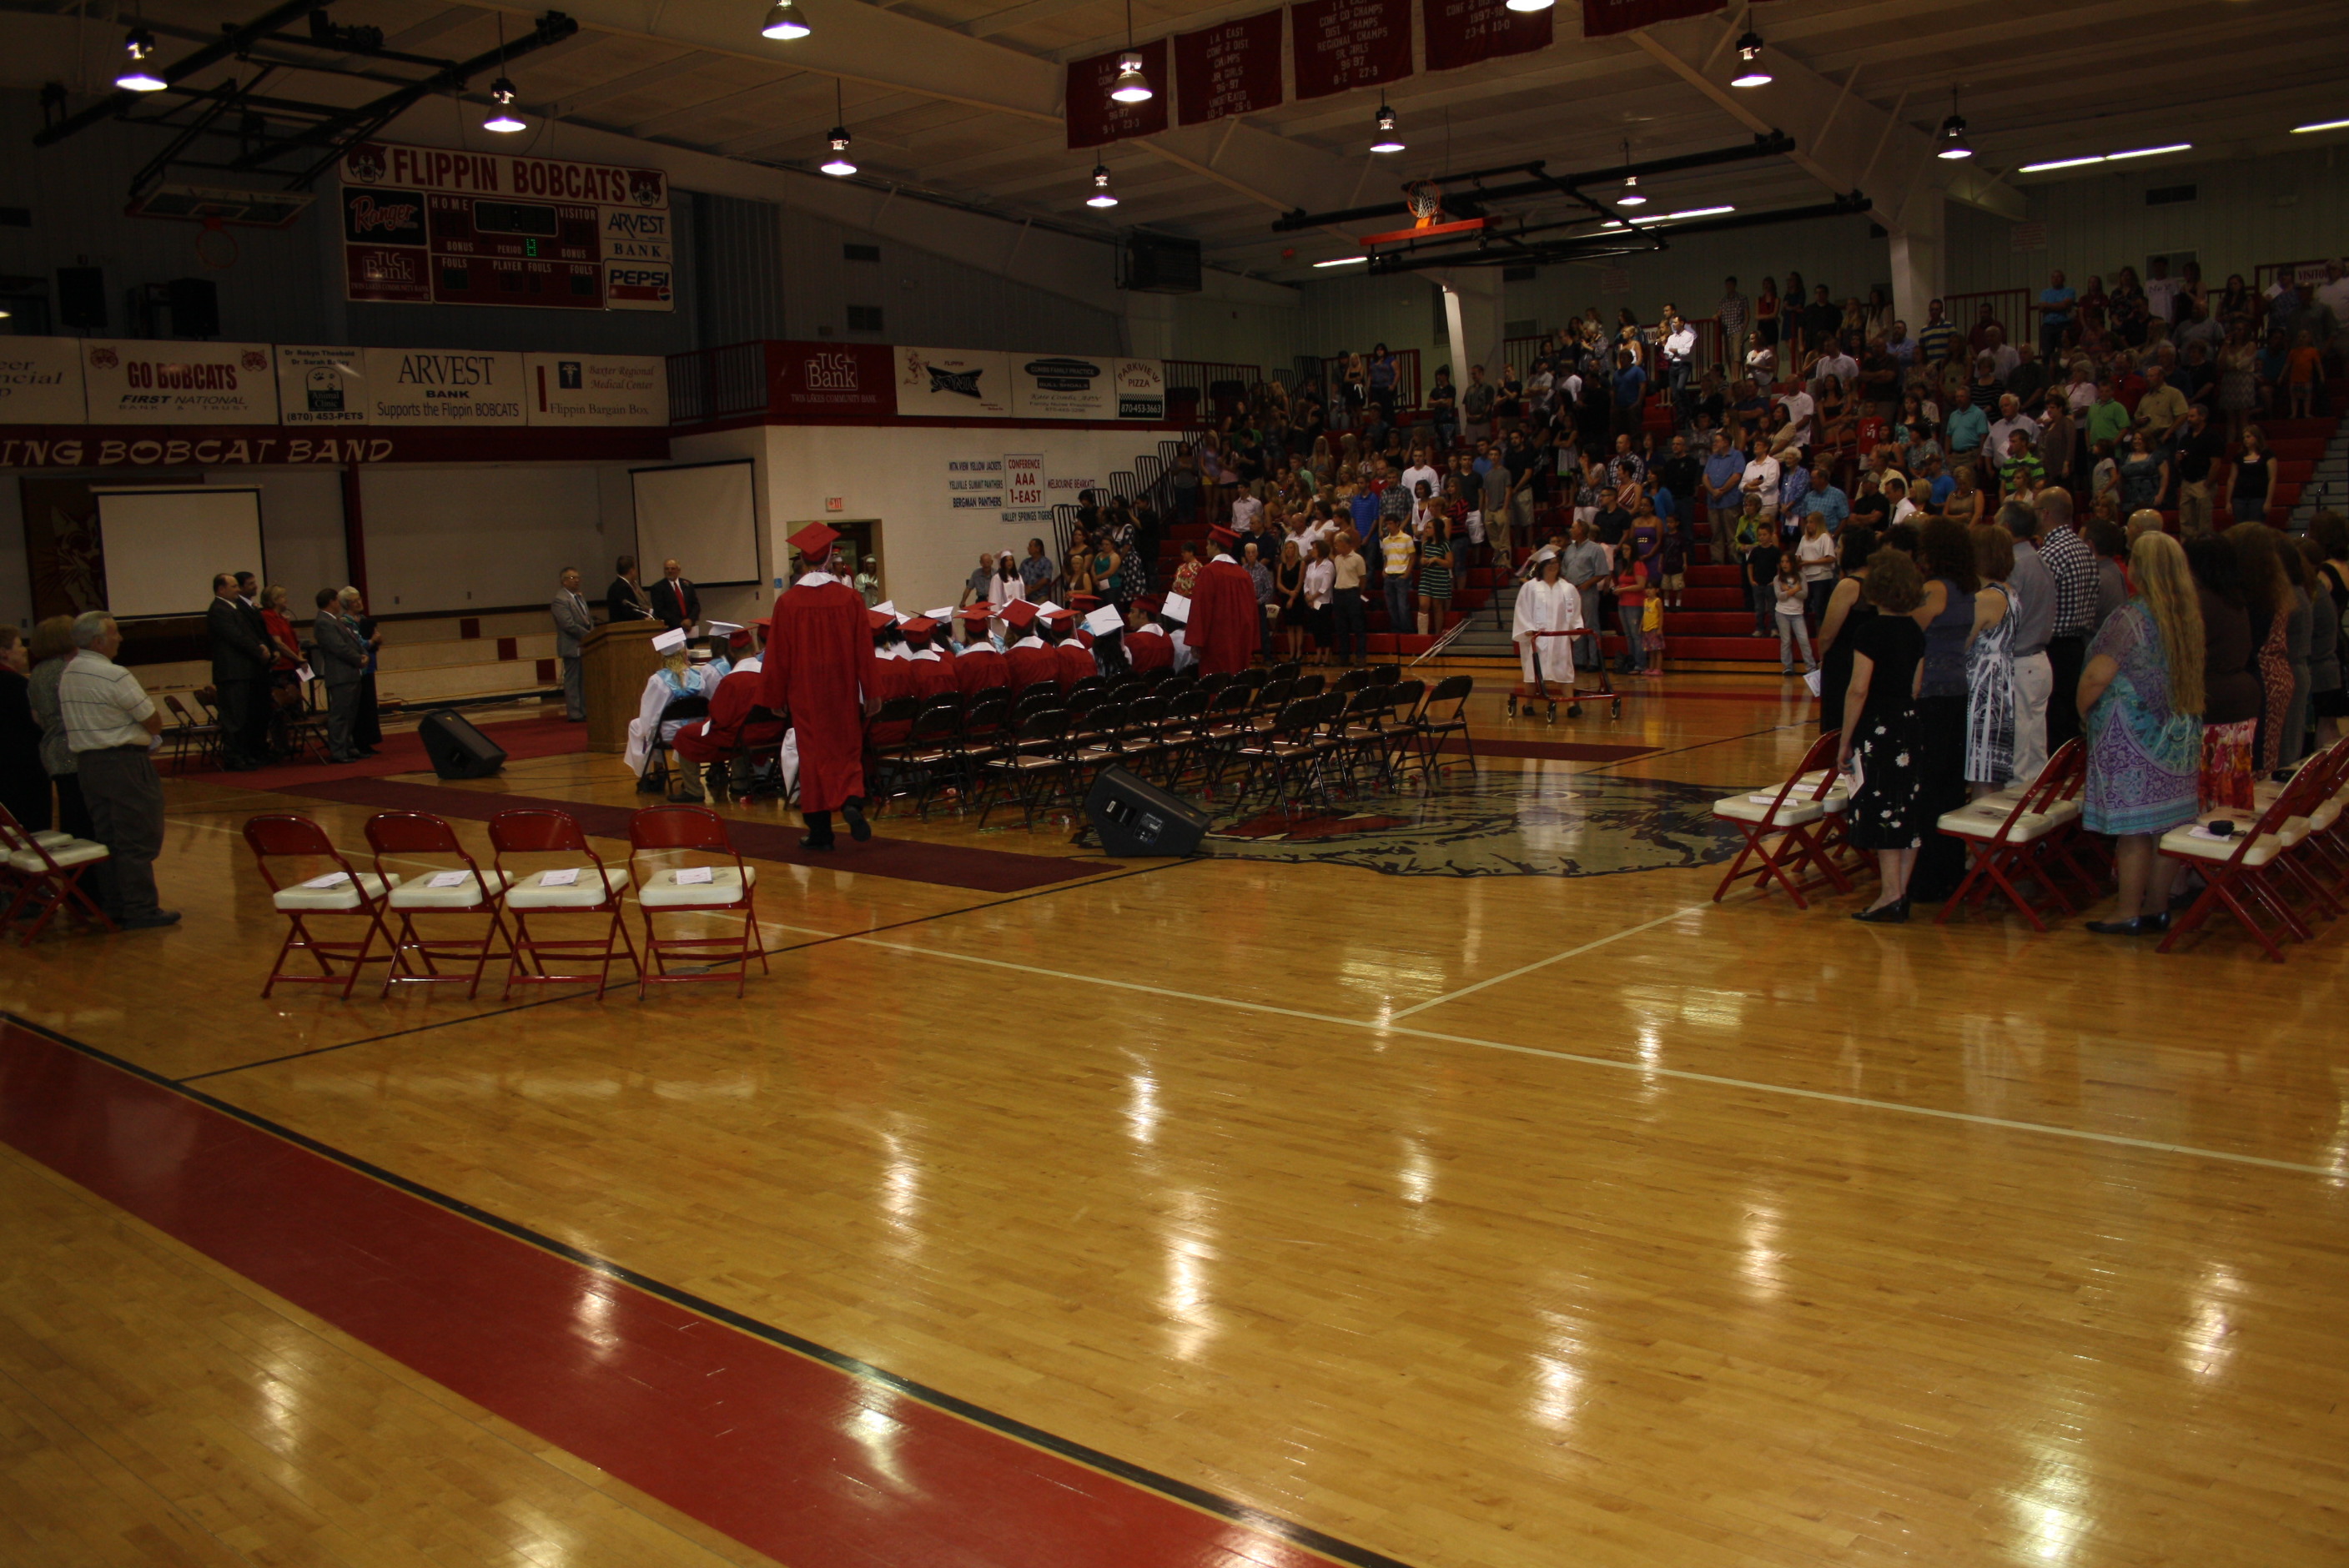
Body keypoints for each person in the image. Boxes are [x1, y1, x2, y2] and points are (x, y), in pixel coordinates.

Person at [2078, 533, 2206, 936]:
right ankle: (2156, 907)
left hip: (2133, 733)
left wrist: (2081, 709)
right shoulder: (2186, 616)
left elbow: (2097, 676)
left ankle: (2127, 911)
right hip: (2178, 732)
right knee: (2166, 825)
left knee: (2133, 829)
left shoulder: (2129, 617)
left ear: (2140, 568)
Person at [57, 612, 176, 929]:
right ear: (98, 641)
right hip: (124, 763)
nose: (120, 638)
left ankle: (115, 905)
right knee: (138, 836)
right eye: (114, 633)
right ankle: (141, 908)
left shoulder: (69, 672)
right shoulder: (113, 674)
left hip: (89, 765)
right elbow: (151, 719)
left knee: (107, 836)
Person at [762, 525, 876, 850]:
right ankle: (851, 801)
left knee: (812, 758)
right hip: (842, 690)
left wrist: (775, 696)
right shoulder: (850, 598)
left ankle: (821, 832)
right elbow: (863, 649)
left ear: (801, 559)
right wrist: (872, 691)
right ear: (829, 558)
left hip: (805, 693)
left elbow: (778, 654)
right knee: (846, 749)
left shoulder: (788, 603)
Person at [1836, 550, 1929, 922]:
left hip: (1879, 725)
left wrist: (1845, 739)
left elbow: (1858, 689)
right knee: (1906, 805)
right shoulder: (1915, 631)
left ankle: (1890, 895)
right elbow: (1917, 686)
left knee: (1884, 808)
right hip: (1908, 722)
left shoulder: (1869, 632)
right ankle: (1900, 892)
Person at [1909, 518, 1981, 902]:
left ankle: (1927, 878)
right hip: (1957, 691)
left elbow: (1908, 631)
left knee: (1928, 786)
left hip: (1931, 694)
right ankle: (1949, 870)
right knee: (1951, 786)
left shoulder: (1935, 589)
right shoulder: (1968, 589)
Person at [2182, 532, 2263, 812]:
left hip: (2211, 701)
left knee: (2207, 790)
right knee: (2231, 783)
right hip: (2239, 699)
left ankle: (2206, 836)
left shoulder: (2198, 603)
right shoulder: (2235, 599)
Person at [27, 617, 93, 848]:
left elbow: (37, 716)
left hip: (53, 747)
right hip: (73, 750)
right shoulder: (66, 670)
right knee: (83, 819)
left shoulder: (38, 672)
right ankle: (87, 866)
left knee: (72, 813)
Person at [1965, 525, 2020, 794]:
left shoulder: (1985, 598)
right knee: (1992, 772)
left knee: (1982, 772)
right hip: (2002, 685)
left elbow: (1961, 644)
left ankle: (1980, 820)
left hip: (1984, 690)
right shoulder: (2009, 591)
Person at [205, 571, 273, 771]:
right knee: (234, 718)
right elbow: (235, 636)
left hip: (243, 671)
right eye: (233, 586)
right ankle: (234, 757)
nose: (237, 590)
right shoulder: (219, 610)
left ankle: (245, 753)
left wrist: (261, 644)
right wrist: (259, 649)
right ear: (221, 589)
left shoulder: (233, 608)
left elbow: (248, 633)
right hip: (231, 673)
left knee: (245, 717)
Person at [1814, 529, 1878, 734]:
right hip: (1870, 662)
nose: (1837, 551)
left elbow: (1827, 634)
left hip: (1843, 664)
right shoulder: (1880, 584)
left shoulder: (1849, 585)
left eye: (1840, 546)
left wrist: (1822, 656)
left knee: (1838, 724)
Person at [1513, 550, 1586, 703]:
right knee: (1533, 671)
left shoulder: (1567, 588)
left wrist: (1576, 626)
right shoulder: (1530, 587)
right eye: (1549, 564)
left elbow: (1575, 610)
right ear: (1542, 566)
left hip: (1560, 637)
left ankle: (1571, 704)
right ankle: (1529, 703)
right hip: (1536, 637)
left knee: (1564, 670)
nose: (1553, 566)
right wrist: (1528, 628)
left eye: (1555, 563)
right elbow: (1522, 609)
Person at [1186, 525, 1260, 676]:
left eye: (1208, 544)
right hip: (1240, 639)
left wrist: (1196, 641)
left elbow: (1201, 609)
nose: (1206, 548)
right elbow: (1251, 610)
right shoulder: (1244, 575)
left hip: (1216, 640)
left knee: (1217, 681)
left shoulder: (1208, 572)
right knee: (1237, 679)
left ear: (1215, 545)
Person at [0, 626, 44, 834]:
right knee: (31, 828)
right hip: (22, 766)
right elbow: (36, 723)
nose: (24, 650)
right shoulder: (17, 685)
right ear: (4, 652)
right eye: (19, 645)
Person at [551, 567, 596, 722]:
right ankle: (575, 712)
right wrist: (588, 635)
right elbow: (568, 625)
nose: (577, 580)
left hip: (584, 645)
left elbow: (587, 619)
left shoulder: (579, 597)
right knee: (573, 680)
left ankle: (584, 710)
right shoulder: (560, 600)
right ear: (564, 581)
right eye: (572, 578)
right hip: (572, 645)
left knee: (583, 680)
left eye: (578, 577)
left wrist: (593, 633)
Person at [1773, 552, 1815, 678]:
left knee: (1804, 640)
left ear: (1792, 563)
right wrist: (1795, 590)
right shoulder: (1777, 579)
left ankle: (1811, 668)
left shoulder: (1801, 576)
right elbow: (1780, 596)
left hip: (1797, 614)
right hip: (1782, 613)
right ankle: (1788, 667)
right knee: (1786, 641)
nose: (1784, 564)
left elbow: (1804, 594)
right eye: (1782, 562)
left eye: (1787, 561)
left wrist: (1789, 590)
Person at [649, 559, 701, 631]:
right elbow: (659, 610)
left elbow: (696, 605)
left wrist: (690, 620)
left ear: (679, 570)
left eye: (673, 569)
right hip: (671, 628)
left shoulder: (688, 584)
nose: (670, 571)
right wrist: (680, 622)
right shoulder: (657, 588)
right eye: (667, 569)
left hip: (690, 627)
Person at [606, 555, 654, 622]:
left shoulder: (615, 586)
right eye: (635, 568)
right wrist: (643, 619)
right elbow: (629, 612)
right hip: (625, 626)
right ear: (631, 571)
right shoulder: (623, 588)